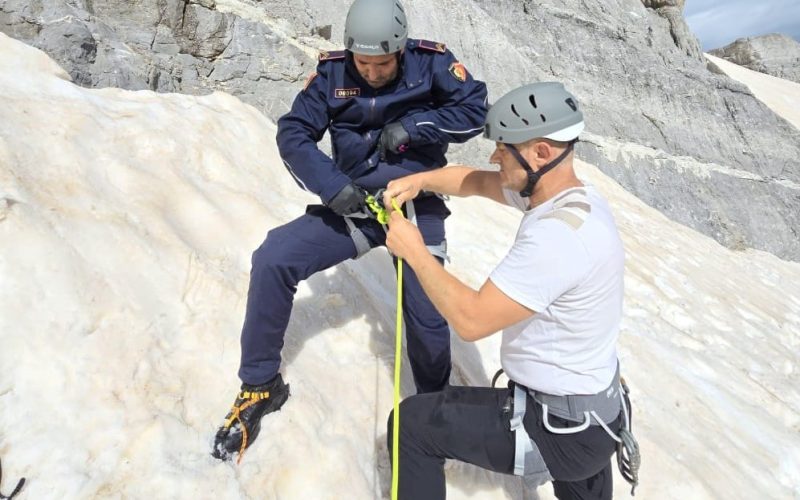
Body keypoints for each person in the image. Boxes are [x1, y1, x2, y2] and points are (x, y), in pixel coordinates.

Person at [211, 0, 488, 461]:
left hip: (414, 202)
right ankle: (260, 386)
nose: (374, 71)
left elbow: (475, 109)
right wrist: (333, 187)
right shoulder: (333, 75)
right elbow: (294, 132)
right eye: (364, 62)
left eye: (383, 62)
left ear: (400, 50)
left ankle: (434, 409)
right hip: (356, 203)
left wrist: (416, 125)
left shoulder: (432, 62)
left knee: (427, 314)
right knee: (275, 257)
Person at [383, 82, 637, 499]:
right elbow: (478, 182)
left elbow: (470, 320)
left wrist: (414, 250)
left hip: (557, 426)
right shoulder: (570, 198)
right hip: (594, 415)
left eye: (503, 148)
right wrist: (421, 180)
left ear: (540, 153)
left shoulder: (558, 237)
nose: (493, 157)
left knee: (411, 425)